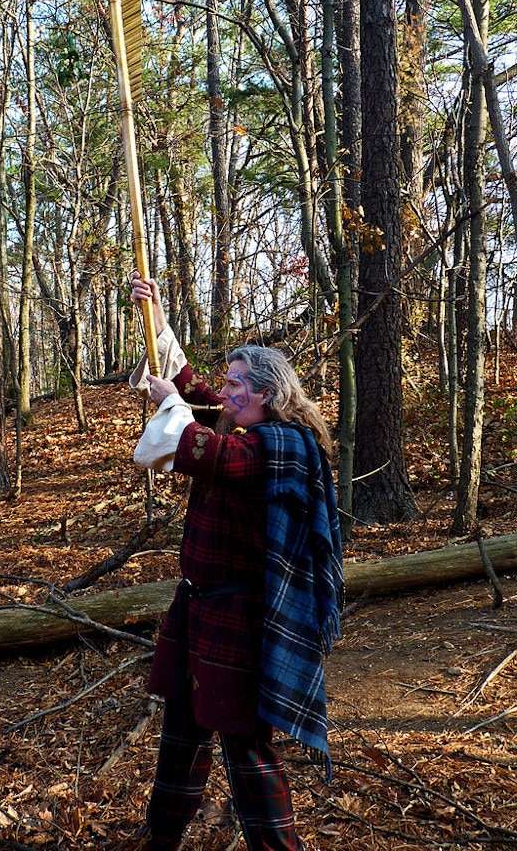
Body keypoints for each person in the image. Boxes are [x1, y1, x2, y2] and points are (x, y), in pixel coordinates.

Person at [129, 272, 344, 851]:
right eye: (226, 383)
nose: (225, 393)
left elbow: (211, 454)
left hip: (242, 618)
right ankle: (161, 840)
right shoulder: (242, 426)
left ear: (268, 393)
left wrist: (171, 406)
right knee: (181, 733)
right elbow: (194, 393)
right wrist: (155, 315)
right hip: (198, 609)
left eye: (237, 384)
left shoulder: (283, 444)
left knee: (245, 747)